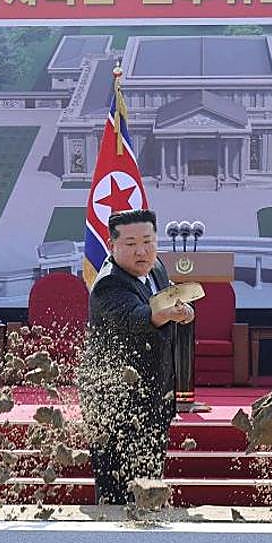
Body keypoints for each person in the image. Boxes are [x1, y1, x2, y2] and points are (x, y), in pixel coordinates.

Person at [82, 209, 194, 505]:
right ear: (112, 245)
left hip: (155, 394)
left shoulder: (156, 267)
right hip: (115, 402)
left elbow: (168, 298)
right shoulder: (108, 283)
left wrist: (183, 310)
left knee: (150, 479)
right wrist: (166, 315)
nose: (141, 251)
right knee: (117, 491)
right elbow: (135, 318)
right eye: (131, 244)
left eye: (148, 241)